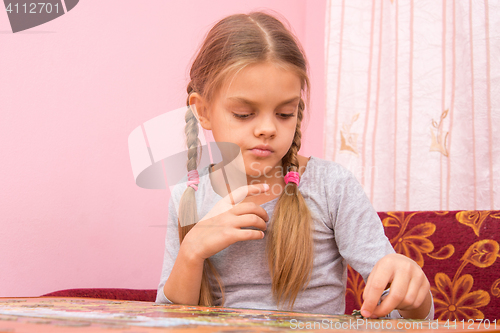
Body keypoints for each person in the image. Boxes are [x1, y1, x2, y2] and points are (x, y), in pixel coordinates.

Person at [156, 11, 433, 319]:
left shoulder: (332, 186)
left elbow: (404, 310)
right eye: (244, 114)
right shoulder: (187, 196)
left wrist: (414, 297)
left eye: (284, 114)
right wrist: (192, 252)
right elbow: (167, 319)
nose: (267, 129)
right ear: (202, 110)